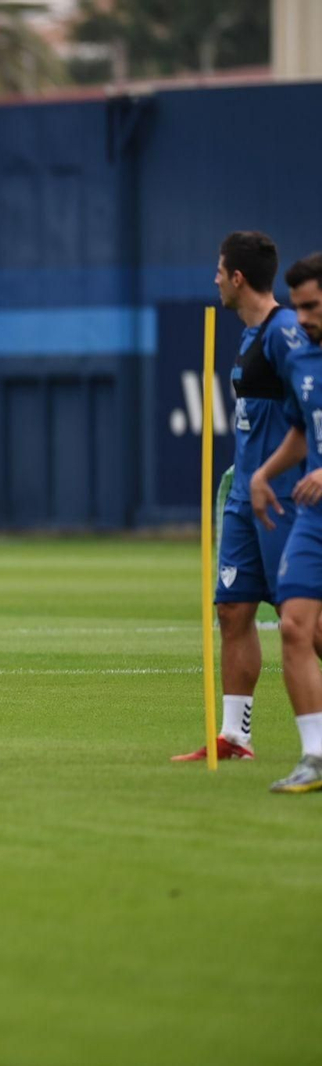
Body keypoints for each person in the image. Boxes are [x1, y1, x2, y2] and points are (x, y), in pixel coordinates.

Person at [174, 232, 307, 763]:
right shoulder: (251, 336)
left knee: (305, 623)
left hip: (281, 501)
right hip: (243, 494)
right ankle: (235, 737)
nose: (213, 279)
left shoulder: (284, 333)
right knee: (232, 611)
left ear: (237, 278)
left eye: (218, 269)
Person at [248, 252, 322, 793]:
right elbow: (300, 430)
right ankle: (315, 758)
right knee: (296, 626)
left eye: (313, 306)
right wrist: (265, 473)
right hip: (314, 514)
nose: (304, 318)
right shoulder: (302, 357)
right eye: (298, 308)